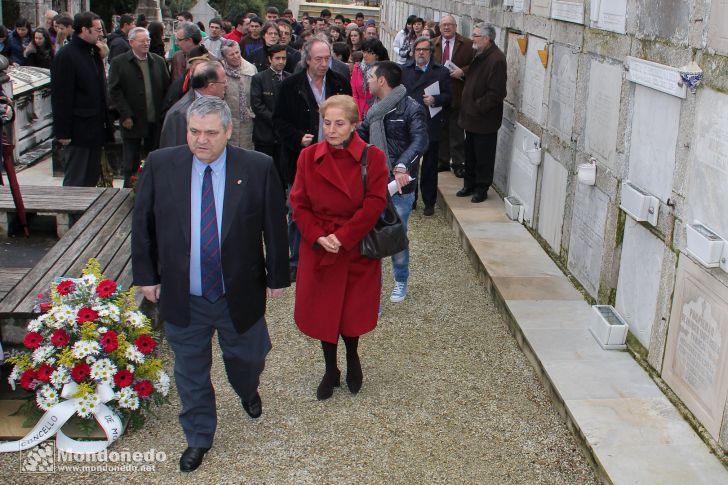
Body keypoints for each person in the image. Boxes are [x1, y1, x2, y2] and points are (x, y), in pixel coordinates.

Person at [132, 95, 289, 473]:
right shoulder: (160, 164)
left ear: (228, 131)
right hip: (184, 295)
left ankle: (247, 388)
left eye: (210, 133)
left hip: (239, 291)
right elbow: (143, 225)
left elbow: (274, 224)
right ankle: (199, 436)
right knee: (189, 371)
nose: (201, 140)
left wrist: (278, 275)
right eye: (194, 132)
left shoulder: (256, 166)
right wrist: (146, 277)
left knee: (249, 357)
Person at [290, 97, 388, 399]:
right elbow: (298, 202)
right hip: (320, 247)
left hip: (355, 246)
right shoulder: (308, 157)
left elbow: (375, 203)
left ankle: (353, 357)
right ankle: (330, 368)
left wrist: (344, 237)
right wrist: (319, 236)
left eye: (339, 123)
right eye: (327, 123)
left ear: (354, 125)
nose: (331, 130)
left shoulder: (373, 158)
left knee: (351, 310)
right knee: (324, 310)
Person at [274, 38, 352, 282]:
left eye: (327, 58)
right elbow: (278, 122)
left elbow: (351, 118)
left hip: (334, 158)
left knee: (332, 206)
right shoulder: (290, 86)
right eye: (318, 59)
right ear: (306, 59)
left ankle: (329, 251)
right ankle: (296, 260)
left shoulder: (340, 83)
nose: (324, 63)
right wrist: (298, 138)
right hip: (301, 159)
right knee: (297, 208)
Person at [357, 61, 428, 302]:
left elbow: (419, 141)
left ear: (382, 81)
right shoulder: (374, 109)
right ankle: (372, 291)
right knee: (370, 236)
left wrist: (401, 166)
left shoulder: (411, 108)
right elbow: (361, 134)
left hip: (399, 186)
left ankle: (400, 280)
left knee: (396, 235)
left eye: (370, 77)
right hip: (373, 182)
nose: (367, 81)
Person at [51, 11, 113, 187]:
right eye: (97, 29)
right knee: (76, 178)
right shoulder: (66, 56)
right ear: (84, 29)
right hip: (78, 130)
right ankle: (73, 214)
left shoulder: (93, 52)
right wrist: (62, 132)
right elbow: (61, 96)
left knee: (90, 178)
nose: (101, 33)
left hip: (94, 128)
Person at [108, 27, 170, 187]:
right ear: (131, 42)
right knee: (130, 161)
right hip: (132, 120)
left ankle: (152, 189)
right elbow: (114, 91)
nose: (146, 43)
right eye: (142, 41)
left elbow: (166, 88)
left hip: (154, 119)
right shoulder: (119, 63)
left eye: (148, 40)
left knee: (154, 157)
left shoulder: (158, 61)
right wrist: (125, 115)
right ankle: (129, 191)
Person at [402, 37, 452, 216]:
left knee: (430, 166)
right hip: (410, 124)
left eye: (424, 50)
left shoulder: (441, 72)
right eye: (418, 50)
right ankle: (411, 198)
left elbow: (449, 97)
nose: (421, 53)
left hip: (431, 123)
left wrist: (435, 99)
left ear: (431, 52)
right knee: (409, 163)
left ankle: (429, 202)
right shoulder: (404, 70)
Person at [457, 23, 507, 203]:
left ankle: (481, 188)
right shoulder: (480, 54)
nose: (472, 38)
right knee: (470, 154)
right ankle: (468, 184)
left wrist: (477, 106)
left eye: (476, 35)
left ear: (487, 39)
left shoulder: (497, 59)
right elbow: (473, 73)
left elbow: (497, 93)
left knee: (483, 157)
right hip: (470, 118)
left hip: (484, 119)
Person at [433, 15, 473, 177]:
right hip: (439, 92)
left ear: (456, 27)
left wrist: (462, 71)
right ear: (440, 28)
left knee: (457, 129)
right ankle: (442, 161)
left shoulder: (467, 44)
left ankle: (458, 163)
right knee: (440, 128)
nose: (447, 27)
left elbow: (476, 64)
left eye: (450, 25)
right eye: (444, 25)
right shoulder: (433, 43)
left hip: (458, 91)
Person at [160, 61, 227, 148]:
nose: (226, 85)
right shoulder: (180, 114)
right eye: (224, 82)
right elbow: (176, 153)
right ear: (211, 86)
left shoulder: (217, 104)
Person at [251, 43, 290, 189]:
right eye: (277, 58)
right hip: (265, 135)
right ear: (270, 59)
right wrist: (275, 120)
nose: (281, 61)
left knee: (281, 173)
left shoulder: (289, 77)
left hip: (283, 137)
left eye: (283, 58)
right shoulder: (259, 78)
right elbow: (257, 105)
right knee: (264, 171)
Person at [220, 40, 257, 149]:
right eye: (231, 54)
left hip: (248, 121)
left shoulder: (250, 69)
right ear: (225, 57)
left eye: (237, 52)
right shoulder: (220, 71)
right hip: (227, 120)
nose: (236, 56)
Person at [351, 39, 388, 120]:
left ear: (377, 55)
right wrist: (358, 116)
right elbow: (354, 94)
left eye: (369, 52)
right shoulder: (357, 68)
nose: (365, 55)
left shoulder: (384, 70)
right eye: (364, 52)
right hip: (359, 111)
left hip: (377, 112)